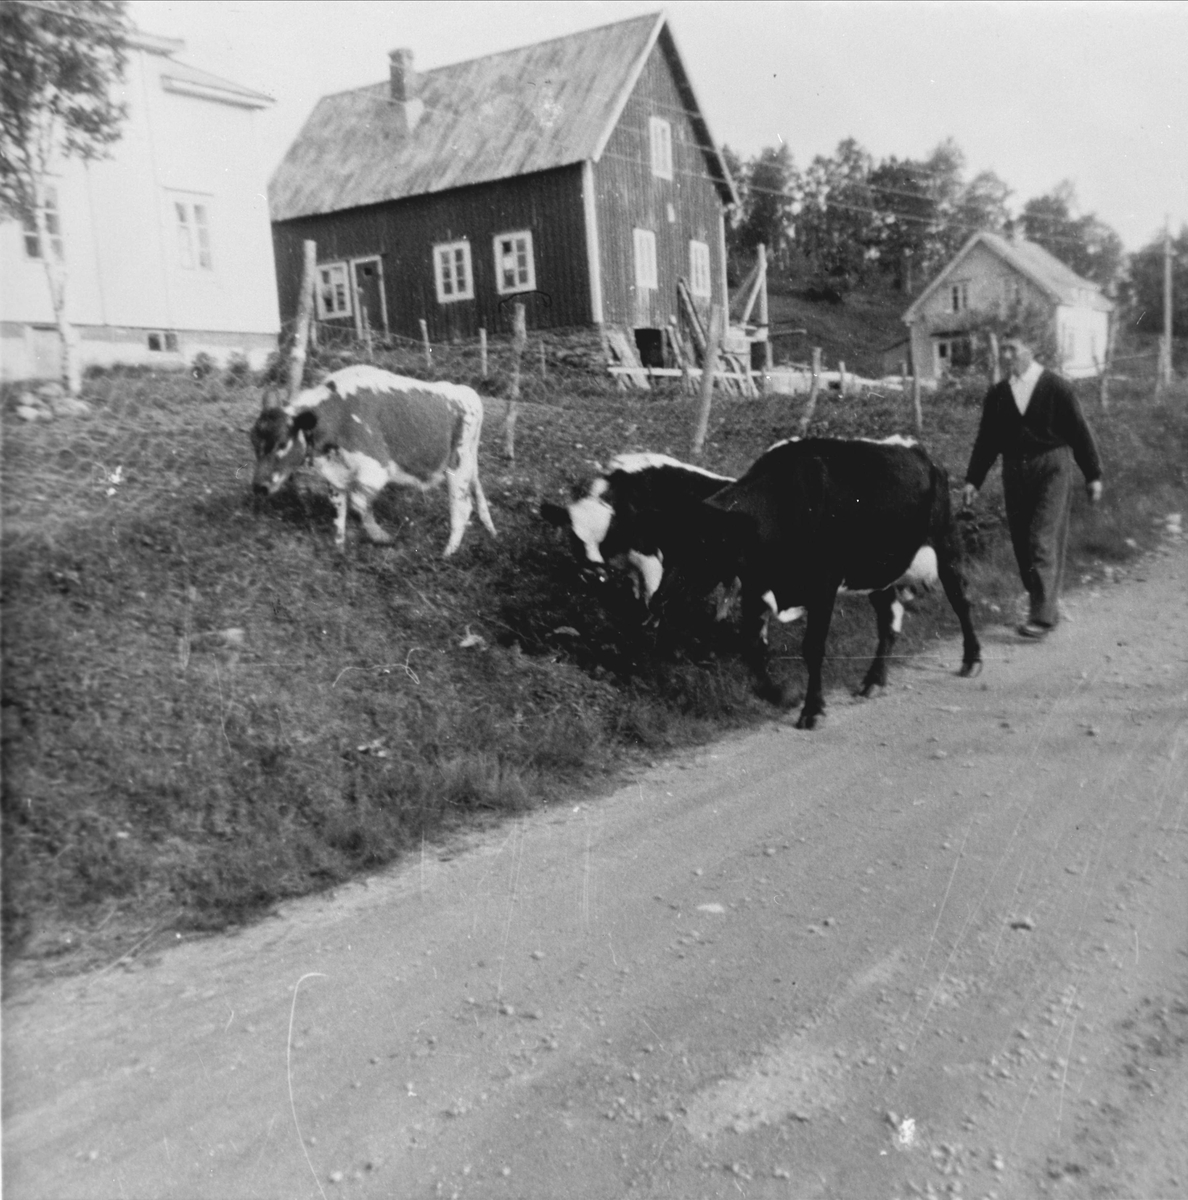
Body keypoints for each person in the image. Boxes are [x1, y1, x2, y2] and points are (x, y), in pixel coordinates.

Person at [961, 332, 1103, 639]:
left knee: (1041, 538)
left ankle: (1042, 616)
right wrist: (973, 480)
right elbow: (987, 440)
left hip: (1052, 466)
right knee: (1024, 544)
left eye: (1013, 348)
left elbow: (1079, 431)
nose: (1007, 355)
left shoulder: (1057, 387)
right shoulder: (998, 393)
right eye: (1005, 349)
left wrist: (1093, 474)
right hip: (1014, 471)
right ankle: (1045, 604)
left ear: (1031, 349)